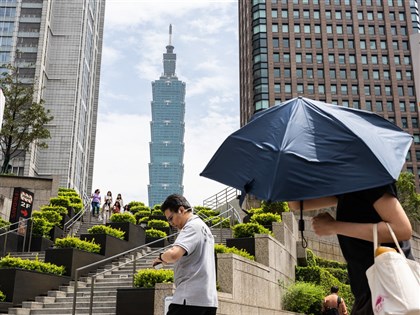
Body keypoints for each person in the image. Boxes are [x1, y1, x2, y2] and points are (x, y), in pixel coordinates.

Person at [288, 183, 413, 315]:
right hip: (367, 291)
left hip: (388, 287)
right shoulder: (347, 186)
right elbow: (296, 204)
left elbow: (402, 229)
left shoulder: (370, 178)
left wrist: (334, 227)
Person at [152, 194, 218, 315]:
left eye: (171, 218)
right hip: (208, 301)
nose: (170, 223)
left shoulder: (191, 226)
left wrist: (161, 257)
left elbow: (173, 255)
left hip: (189, 299)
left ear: (181, 210)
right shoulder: (205, 228)